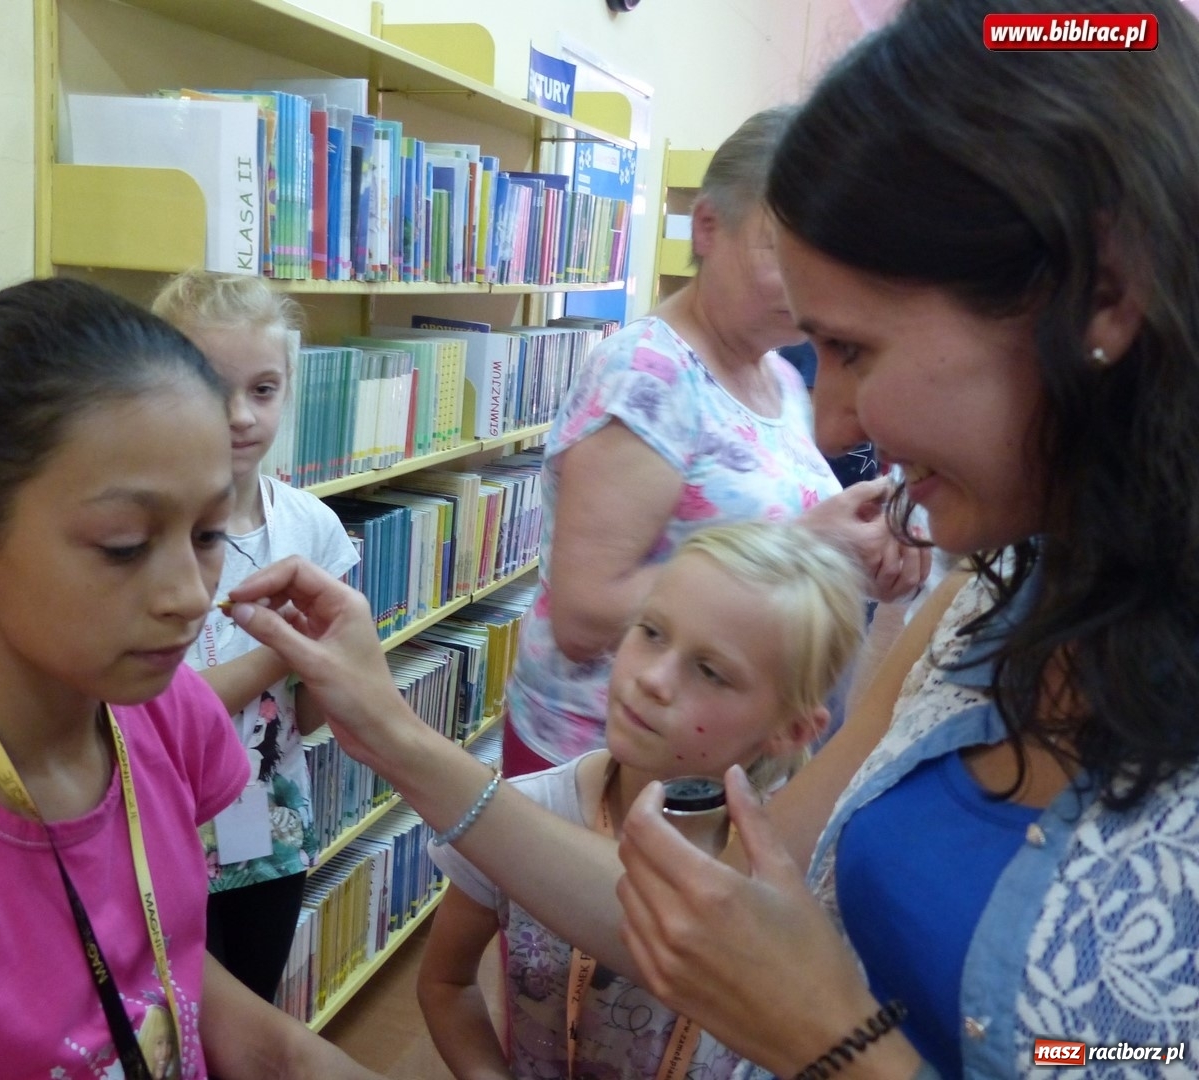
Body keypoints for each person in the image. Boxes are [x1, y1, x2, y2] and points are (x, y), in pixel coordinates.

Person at [221, 0, 1199, 1074]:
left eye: (856, 350)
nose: (836, 423)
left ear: (1100, 292)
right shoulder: (988, 601)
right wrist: (390, 731)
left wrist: (833, 1042)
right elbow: (726, 902)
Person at [0, 278, 377, 1079]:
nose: (191, 597)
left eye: (208, 533)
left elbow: (181, 990)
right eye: (123, 545)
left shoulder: (164, 714)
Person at [503, 107, 927, 775]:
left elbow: (773, 548)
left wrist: (865, 550)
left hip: (708, 754)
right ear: (708, 227)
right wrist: (807, 542)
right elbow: (584, 616)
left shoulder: (780, 377)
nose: (811, 281)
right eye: (781, 248)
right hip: (603, 759)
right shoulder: (648, 376)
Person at [418, 522, 864, 1080]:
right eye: (650, 631)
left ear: (791, 730)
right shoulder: (522, 818)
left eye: (709, 670)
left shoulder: (800, 871)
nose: (652, 678)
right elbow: (445, 981)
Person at [153, 270, 358, 1003]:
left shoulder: (312, 528)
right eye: (213, 389)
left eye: (264, 390)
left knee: (253, 1015)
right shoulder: (143, 536)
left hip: (274, 838)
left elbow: (309, 708)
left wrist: (326, 667)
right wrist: (290, 644)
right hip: (159, 842)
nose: (240, 416)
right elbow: (165, 716)